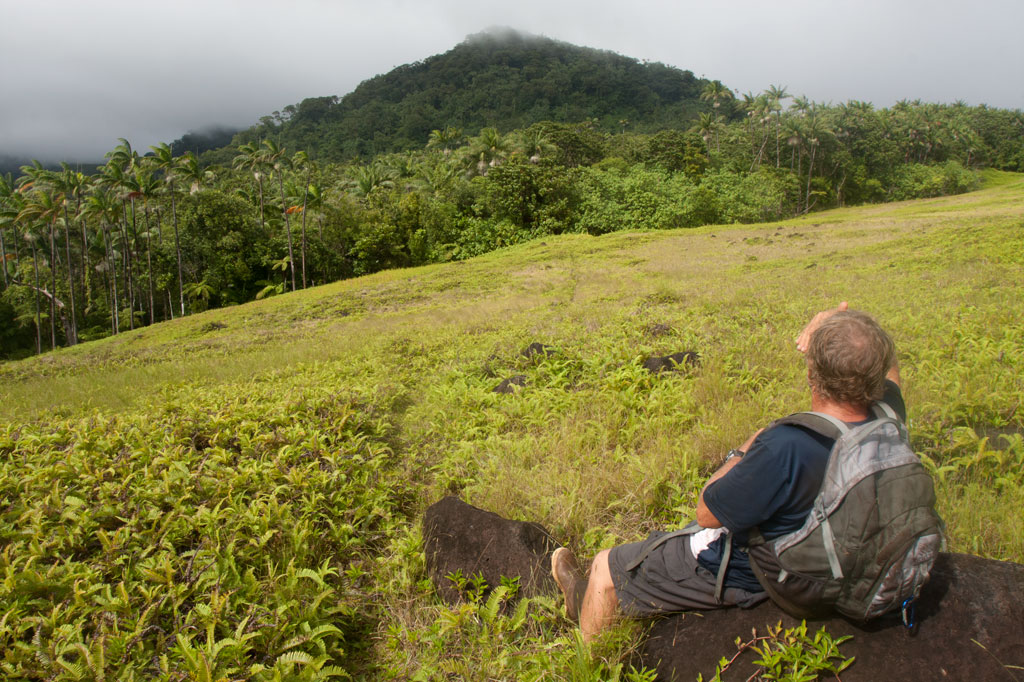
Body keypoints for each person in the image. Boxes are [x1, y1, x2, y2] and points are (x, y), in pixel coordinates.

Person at [551, 302, 907, 640]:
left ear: (812, 374)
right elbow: (887, 364)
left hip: (764, 576)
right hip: (840, 561)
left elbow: (707, 512)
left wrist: (742, 451)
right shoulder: (887, 419)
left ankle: (584, 632)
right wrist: (846, 324)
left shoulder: (787, 446)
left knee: (606, 567)